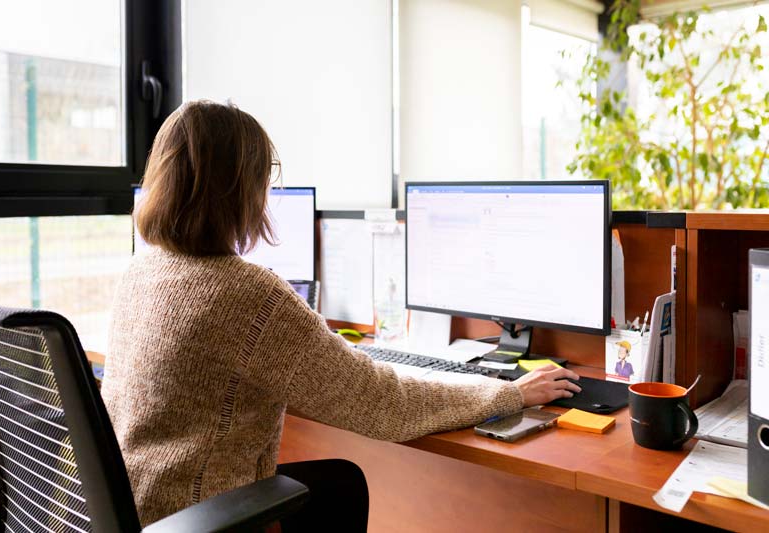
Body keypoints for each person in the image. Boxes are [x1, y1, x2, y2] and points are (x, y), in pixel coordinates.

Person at [100, 100, 581, 531]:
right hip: (201, 515)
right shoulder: (248, 295)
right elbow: (380, 403)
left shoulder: (139, 272)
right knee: (342, 486)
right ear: (240, 191)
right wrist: (507, 393)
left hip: (135, 510)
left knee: (334, 482)